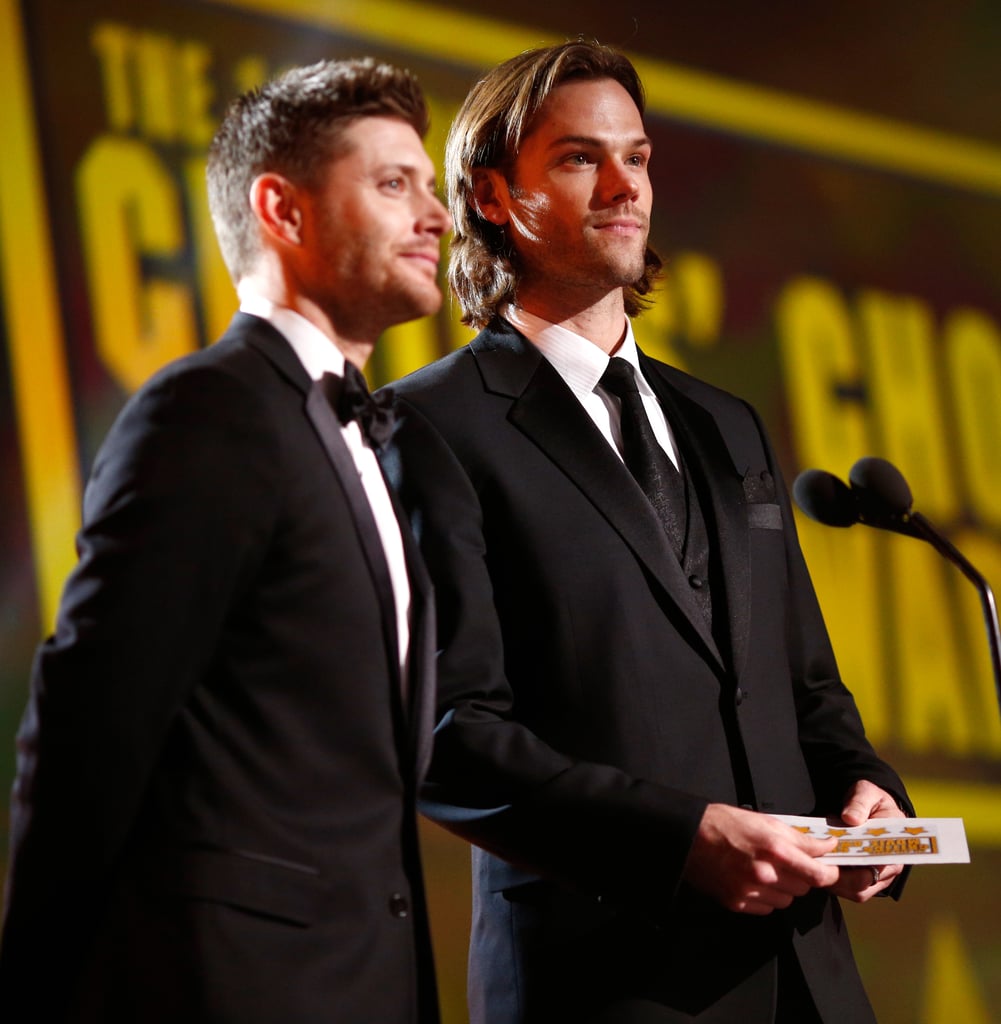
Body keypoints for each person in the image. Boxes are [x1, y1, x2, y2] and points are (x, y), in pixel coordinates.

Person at [384, 40, 912, 1023]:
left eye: (638, 156)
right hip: (606, 982)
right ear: (492, 196)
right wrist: (678, 840)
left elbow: (802, 686)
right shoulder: (426, 426)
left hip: (807, 981)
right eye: (581, 157)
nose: (625, 185)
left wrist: (868, 792)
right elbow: (447, 734)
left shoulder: (726, 423)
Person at [0, 57, 450, 1022]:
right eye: (392, 184)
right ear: (282, 212)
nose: (437, 215)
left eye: (431, 186)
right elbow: (90, 723)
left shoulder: (360, 432)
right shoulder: (211, 411)